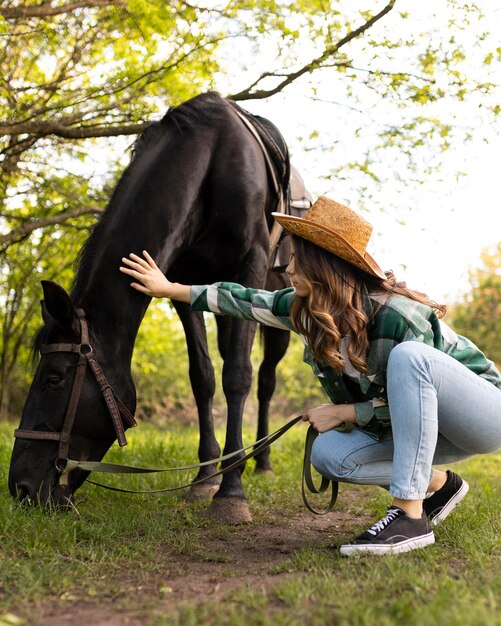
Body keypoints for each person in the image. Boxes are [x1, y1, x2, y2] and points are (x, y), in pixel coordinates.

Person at [119, 196, 501, 556]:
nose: (286, 269)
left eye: (297, 260)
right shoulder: (307, 310)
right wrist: (170, 288)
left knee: (409, 358)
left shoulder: (398, 316)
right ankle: (438, 486)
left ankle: (409, 516)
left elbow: (418, 392)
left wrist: (346, 413)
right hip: (423, 429)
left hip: (483, 415)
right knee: (330, 455)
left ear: (325, 267)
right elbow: (247, 301)